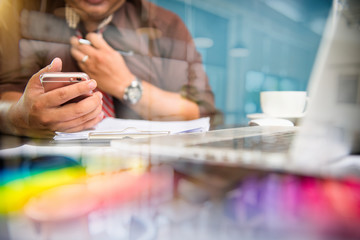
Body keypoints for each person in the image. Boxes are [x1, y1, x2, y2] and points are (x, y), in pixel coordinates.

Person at [0, 0, 218, 138]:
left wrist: (128, 86)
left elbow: (201, 111)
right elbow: (4, 94)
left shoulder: (166, 25)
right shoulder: (18, 14)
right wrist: (19, 115)